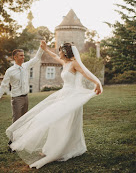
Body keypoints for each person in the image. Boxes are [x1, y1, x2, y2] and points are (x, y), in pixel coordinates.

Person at [6, 41, 103, 169]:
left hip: (71, 97)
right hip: (63, 95)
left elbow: (86, 73)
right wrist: (45, 49)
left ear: (65, 52)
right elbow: (54, 57)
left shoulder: (74, 63)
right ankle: (51, 148)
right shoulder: (66, 63)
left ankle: (63, 149)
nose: (59, 53)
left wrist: (97, 83)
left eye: (60, 51)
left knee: (66, 122)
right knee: (56, 122)